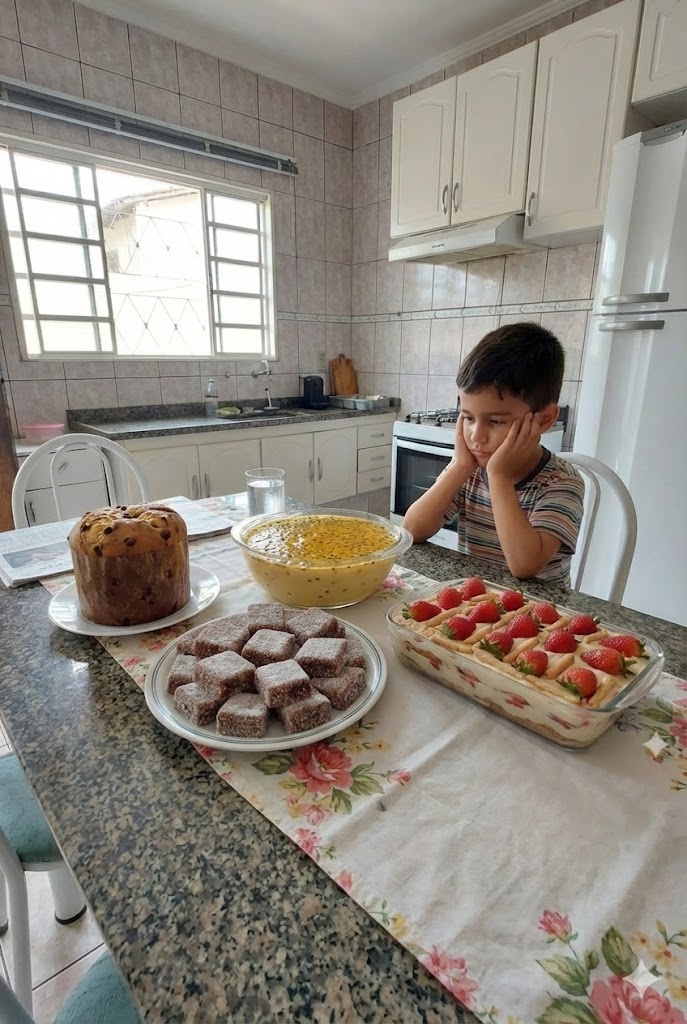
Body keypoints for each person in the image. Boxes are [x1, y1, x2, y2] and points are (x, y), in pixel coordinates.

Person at [403, 322, 585, 584]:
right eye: (468, 418)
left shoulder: (562, 482)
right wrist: (459, 467)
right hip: (474, 600)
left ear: (545, 419)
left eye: (496, 421)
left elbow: (525, 566)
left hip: (535, 607)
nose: (476, 436)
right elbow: (412, 530)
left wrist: (499, 476)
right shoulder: (469, 470)